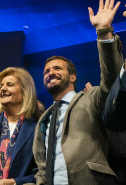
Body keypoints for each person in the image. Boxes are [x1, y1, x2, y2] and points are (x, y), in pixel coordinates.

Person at [31, 1, 124, 184]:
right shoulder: (44, 118)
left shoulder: (91, 98)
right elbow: (42, 164)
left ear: (73, 77)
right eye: (46, 72)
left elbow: (113, 83)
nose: (50, 73)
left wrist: (104, 33)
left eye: (57, 68)